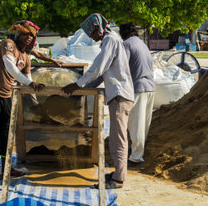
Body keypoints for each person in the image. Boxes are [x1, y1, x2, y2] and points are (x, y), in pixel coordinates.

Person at [62, 13, 134, 189]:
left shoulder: (110, 40)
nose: (91, 38)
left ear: (97, 28)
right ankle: (118, 174)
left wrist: (77, 83)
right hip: (119, 94)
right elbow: (103, 73)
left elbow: (98, 67)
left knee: (118, 139)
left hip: (120, 95)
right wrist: (83, 88)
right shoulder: (110, 41)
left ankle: (118, 179)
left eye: (91, 33)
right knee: (118, 139)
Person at [0, 20, 45, 180]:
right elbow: (10, 67)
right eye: (24, 34)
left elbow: (29, 82)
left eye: (31, 35)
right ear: (18, 34)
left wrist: (37, 104)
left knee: (7, 133)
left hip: (8, 97)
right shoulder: (8, 45)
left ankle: (6, 168)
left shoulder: (26, 57)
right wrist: (30, 82)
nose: (28, 37)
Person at [119, 23, 155, 167]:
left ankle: (136, 157)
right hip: (150, 87)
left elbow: (122, 67)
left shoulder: (126, 45)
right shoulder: (142, 44)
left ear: (123, 33)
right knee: (143, 125)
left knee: (135, 125)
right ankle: (136, 151)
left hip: (138, 88)